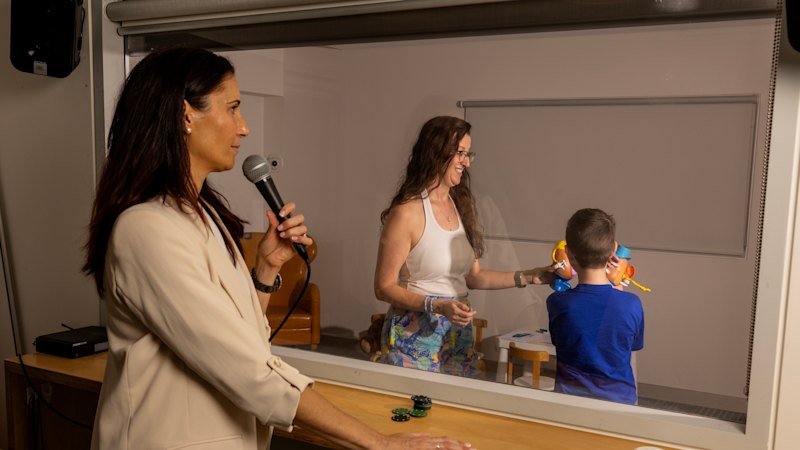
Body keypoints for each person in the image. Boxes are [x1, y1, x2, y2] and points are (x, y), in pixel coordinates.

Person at [82, 47, 471, 450]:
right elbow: (244, 368)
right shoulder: (146, 230)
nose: (244, 127)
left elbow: (243, 336)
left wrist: (266, 270)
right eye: (232, 108)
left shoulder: (205, 220)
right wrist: (382, 443)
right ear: (186, 115)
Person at [374, 115, 553, 377]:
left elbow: (474, 276)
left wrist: (528, 276)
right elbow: (383, 287)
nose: (466, 162)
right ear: (436, 152)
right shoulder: (407, 213)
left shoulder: (461, 207)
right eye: (460, 153)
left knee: (456, 411)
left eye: (469, 154)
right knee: (416, 410)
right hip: (415, 332)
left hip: (458, 331)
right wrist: (437, 306)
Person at [546, 208, 644, 405]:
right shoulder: (632, 304)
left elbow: (562, 342)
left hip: (570, 403)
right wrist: (616, 286)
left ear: (569, 256)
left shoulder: (557, 302)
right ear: (613, 251)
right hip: (620, 402)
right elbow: (630, 347)